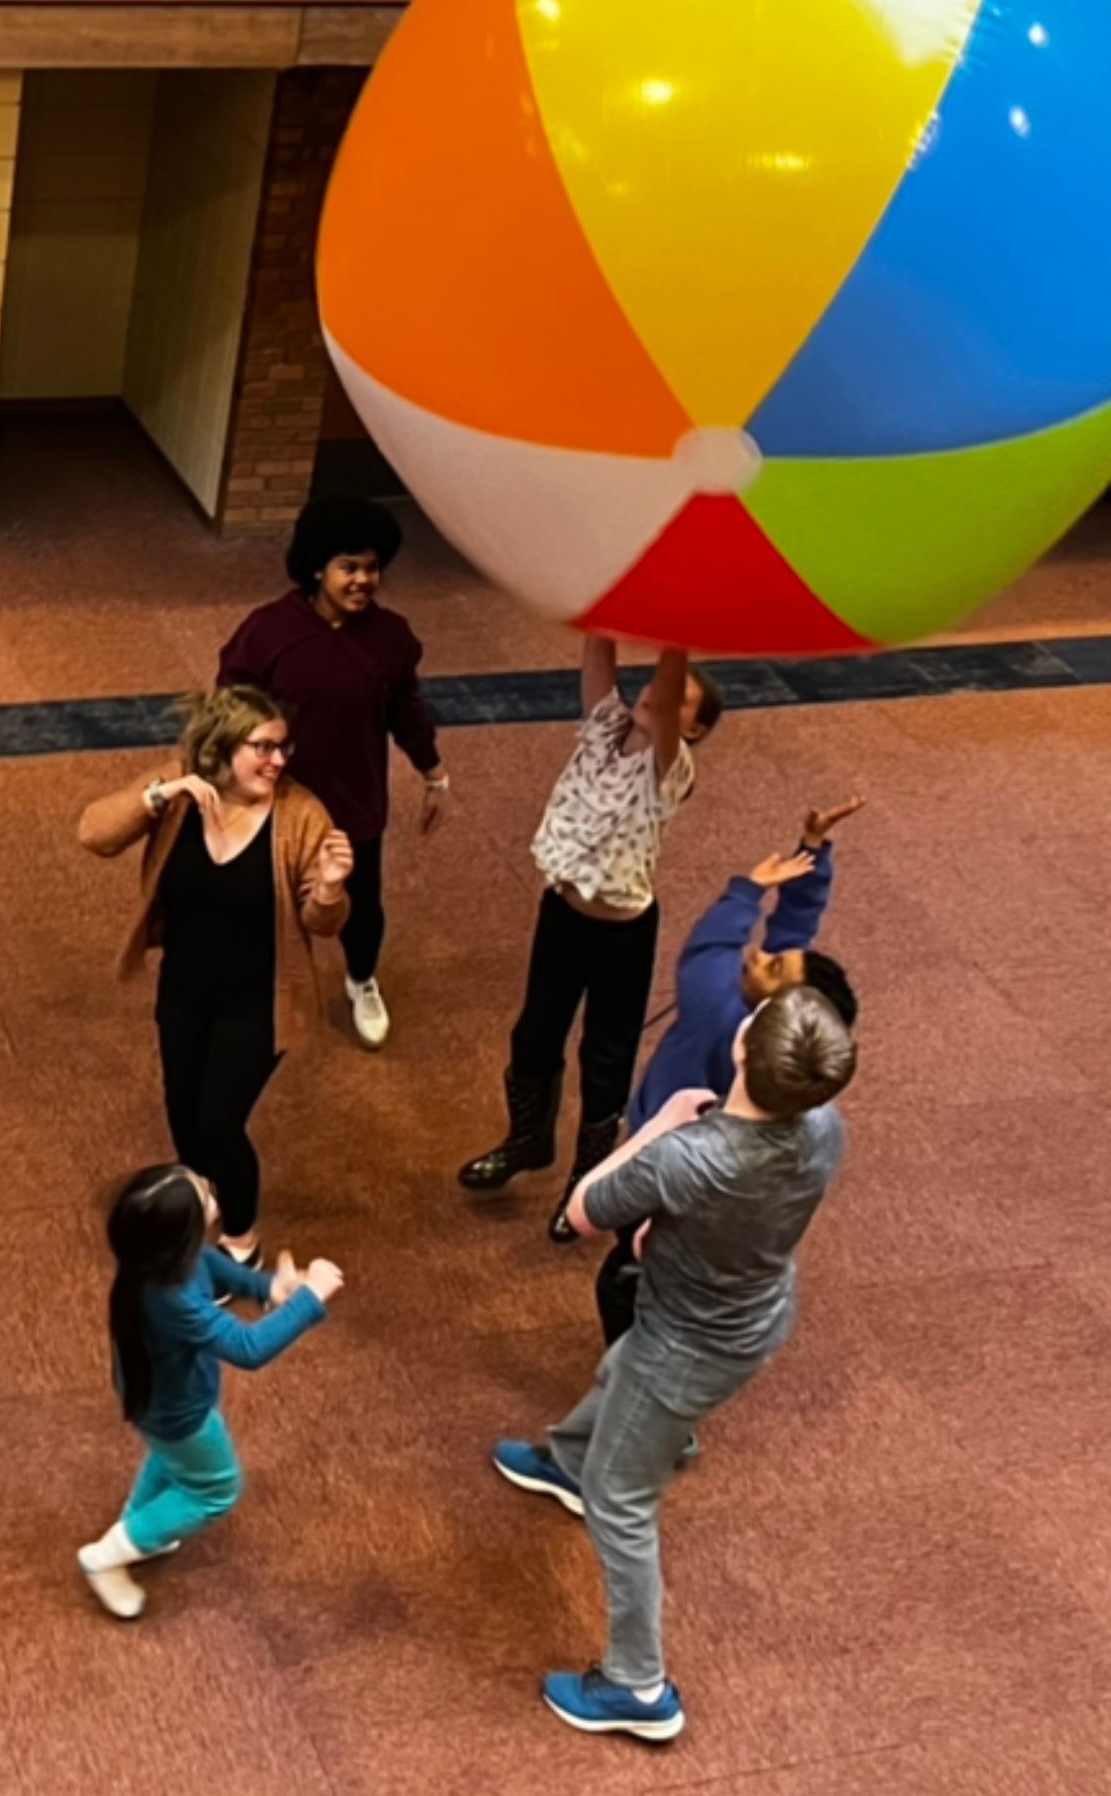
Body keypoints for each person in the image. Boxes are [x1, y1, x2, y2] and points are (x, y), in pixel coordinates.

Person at [492, 983, 857, 1742]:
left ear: (743, 1053)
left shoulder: (689, 1157)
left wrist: (655, 1126)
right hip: (752, 1316)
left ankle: (638, 1685)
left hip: (688, 1341)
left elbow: (584, 1211)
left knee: (622, 1500)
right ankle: (573, 1456)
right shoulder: (823, 1127)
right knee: (622, 1375)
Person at [79, 686, 352, 1280]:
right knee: (181, 1108)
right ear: (222, 748)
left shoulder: (300, 814)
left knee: (218, 1121)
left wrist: (329, 887)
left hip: (260, 1002)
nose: (278, 761)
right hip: (185, 989)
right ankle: (201, 1205)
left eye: (284, 748)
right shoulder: (181, 789)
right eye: (264, 748)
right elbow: (94, 834)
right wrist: (159, 794)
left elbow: (322, 923)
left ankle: (241, 1237)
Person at [458, 635, 723, 1241]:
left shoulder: (670, 769)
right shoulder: (605, 729)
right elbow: (597, 653)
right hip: (563, 911)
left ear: (693, 732)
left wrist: (676, 630)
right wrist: (599, 601)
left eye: (678, 697)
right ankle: (527, 1140)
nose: (658, 690)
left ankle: (590, 1180)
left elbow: (673, 671)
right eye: (658, 683)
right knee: (534, 1032)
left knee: (604, 1057)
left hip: (622, 935)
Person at [595, 798, 862, 1346]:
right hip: (721, 1171)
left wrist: (747, 888)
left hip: (664, 1153)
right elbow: (795, 935)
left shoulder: (718, 1007)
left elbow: (708, 951)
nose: (758, 956)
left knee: (627, 1271)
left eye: (772, 967)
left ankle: (633, 1360)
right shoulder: (780, 1035)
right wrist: (810, 851)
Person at [218, 496, 448, 1052]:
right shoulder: (268, 631)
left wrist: (433, 771)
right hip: (276, 801)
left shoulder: (391, 638)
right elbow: (229, 709)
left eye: (371, 568)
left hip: (354, 802)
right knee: (258, 898)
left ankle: (360, 979)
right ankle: (251, 989)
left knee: (361, 904)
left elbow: (404, 709)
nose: (363, 579)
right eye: (349, 567)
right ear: (318, 567)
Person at [78, 1163, 343, 1620]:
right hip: (179, 1410)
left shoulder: (160, 1258)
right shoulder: (172, 1298)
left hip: (158, 1401)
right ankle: (106, 1557)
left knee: (171, 1460)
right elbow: (248, 1348)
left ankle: (137, 1528)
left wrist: (269, 1289)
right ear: (184, 1230)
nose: (212, 1189)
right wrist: (310, 1299)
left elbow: (219, 1270)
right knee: (215, 1489)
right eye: (205, 1194)